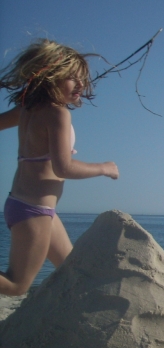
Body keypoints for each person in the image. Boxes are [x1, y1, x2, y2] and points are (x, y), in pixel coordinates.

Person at [0, 39, 118, 296]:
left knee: (71, 269)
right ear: (49, 78)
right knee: (16, 285)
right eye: (72, 79)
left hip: (28, 206)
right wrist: (105, 168)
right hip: (34, 210)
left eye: (82, 80)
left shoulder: (28, 109)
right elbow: (64, 168)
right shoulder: (58, 114)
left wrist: (43, 149)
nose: (81, 86)